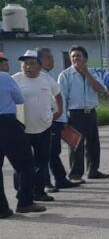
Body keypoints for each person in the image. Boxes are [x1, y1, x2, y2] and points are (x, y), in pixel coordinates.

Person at [12, 50, 61, 203]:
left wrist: (58, 112)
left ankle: (39, 192)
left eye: (32, 63)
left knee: (42, 161)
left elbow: (58, 95)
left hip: (44, 127)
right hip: (23, 129)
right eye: (25, 64)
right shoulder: (15, 80)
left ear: (39, 66)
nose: (28, 67)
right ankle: (22, 191)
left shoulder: (47, 80)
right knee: (22, 163)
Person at [58, 45, 109, 182]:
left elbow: (100, 89)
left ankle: (93, 170)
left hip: (91, 112)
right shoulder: (65, 75)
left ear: (85, 58)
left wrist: (86, 73)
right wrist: (63, 118)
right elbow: (62, 97)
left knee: (93, 144)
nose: (76, 59)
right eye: (73, 56)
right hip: (75, 114)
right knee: (76, 146)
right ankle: (75, 174)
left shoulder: (93, 72)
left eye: (78, 56)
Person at [0, 62, 46, 217]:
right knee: (26, 165)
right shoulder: (4, 78)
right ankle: (25, 202)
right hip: (6, 123)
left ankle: (2, 209)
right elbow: (19, 99)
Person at [35, 48, 75, 193]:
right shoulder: (38, 77)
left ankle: (60, 179)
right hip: (46, 120)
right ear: (39, 60)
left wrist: (62, 118)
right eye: (48, 57)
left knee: (54, 151)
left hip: (56, 119)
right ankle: (46, 182)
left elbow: (58, 99)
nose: (52, 60)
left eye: (52, 56)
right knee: (45, 153)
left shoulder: (50, 76)